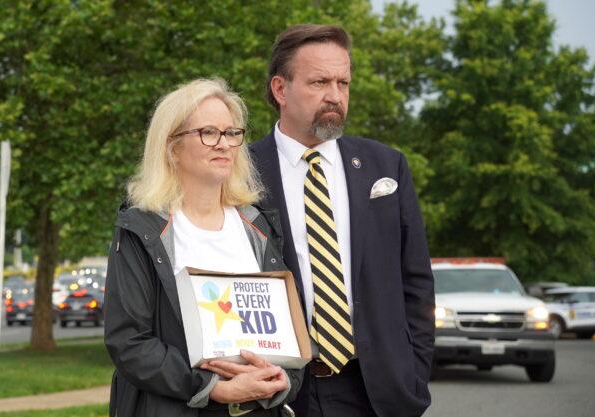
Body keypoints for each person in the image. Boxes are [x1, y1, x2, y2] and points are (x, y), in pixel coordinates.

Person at [250, 24, 435, 417]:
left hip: (375, 391)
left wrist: (414, 373)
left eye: (343, 82)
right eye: (319, 82)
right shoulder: (241, 172)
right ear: (280, 90)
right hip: (279, 391)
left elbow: (416, 280)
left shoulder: (386, 166)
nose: (335, 96)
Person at [104, 78, 303, 417]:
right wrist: (214, 387)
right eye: (208, 132)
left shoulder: (258, 226)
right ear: (172, 147)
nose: (223, 144)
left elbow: (291, 332)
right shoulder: (142, 229)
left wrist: (282, 379)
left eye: (231, 133)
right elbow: (129, 343)